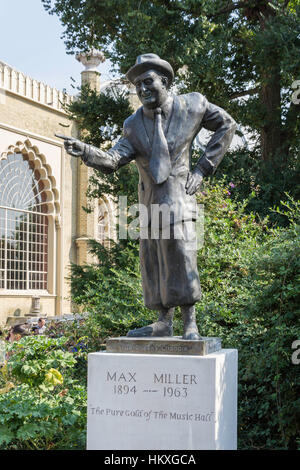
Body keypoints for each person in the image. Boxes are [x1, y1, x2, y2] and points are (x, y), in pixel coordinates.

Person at [58, 53, 236, 340]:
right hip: (149, 203)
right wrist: (87, 151)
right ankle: (163, 322)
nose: (142, 89)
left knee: (181, 252)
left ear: (164, 81)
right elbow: (114, 158)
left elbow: (227, 125)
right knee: (152, 259)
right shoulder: (133, 123)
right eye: (138, 85)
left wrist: (203, 169)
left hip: (180, 196)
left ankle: (190, 323)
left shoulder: (192, 105)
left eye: (147, 82)